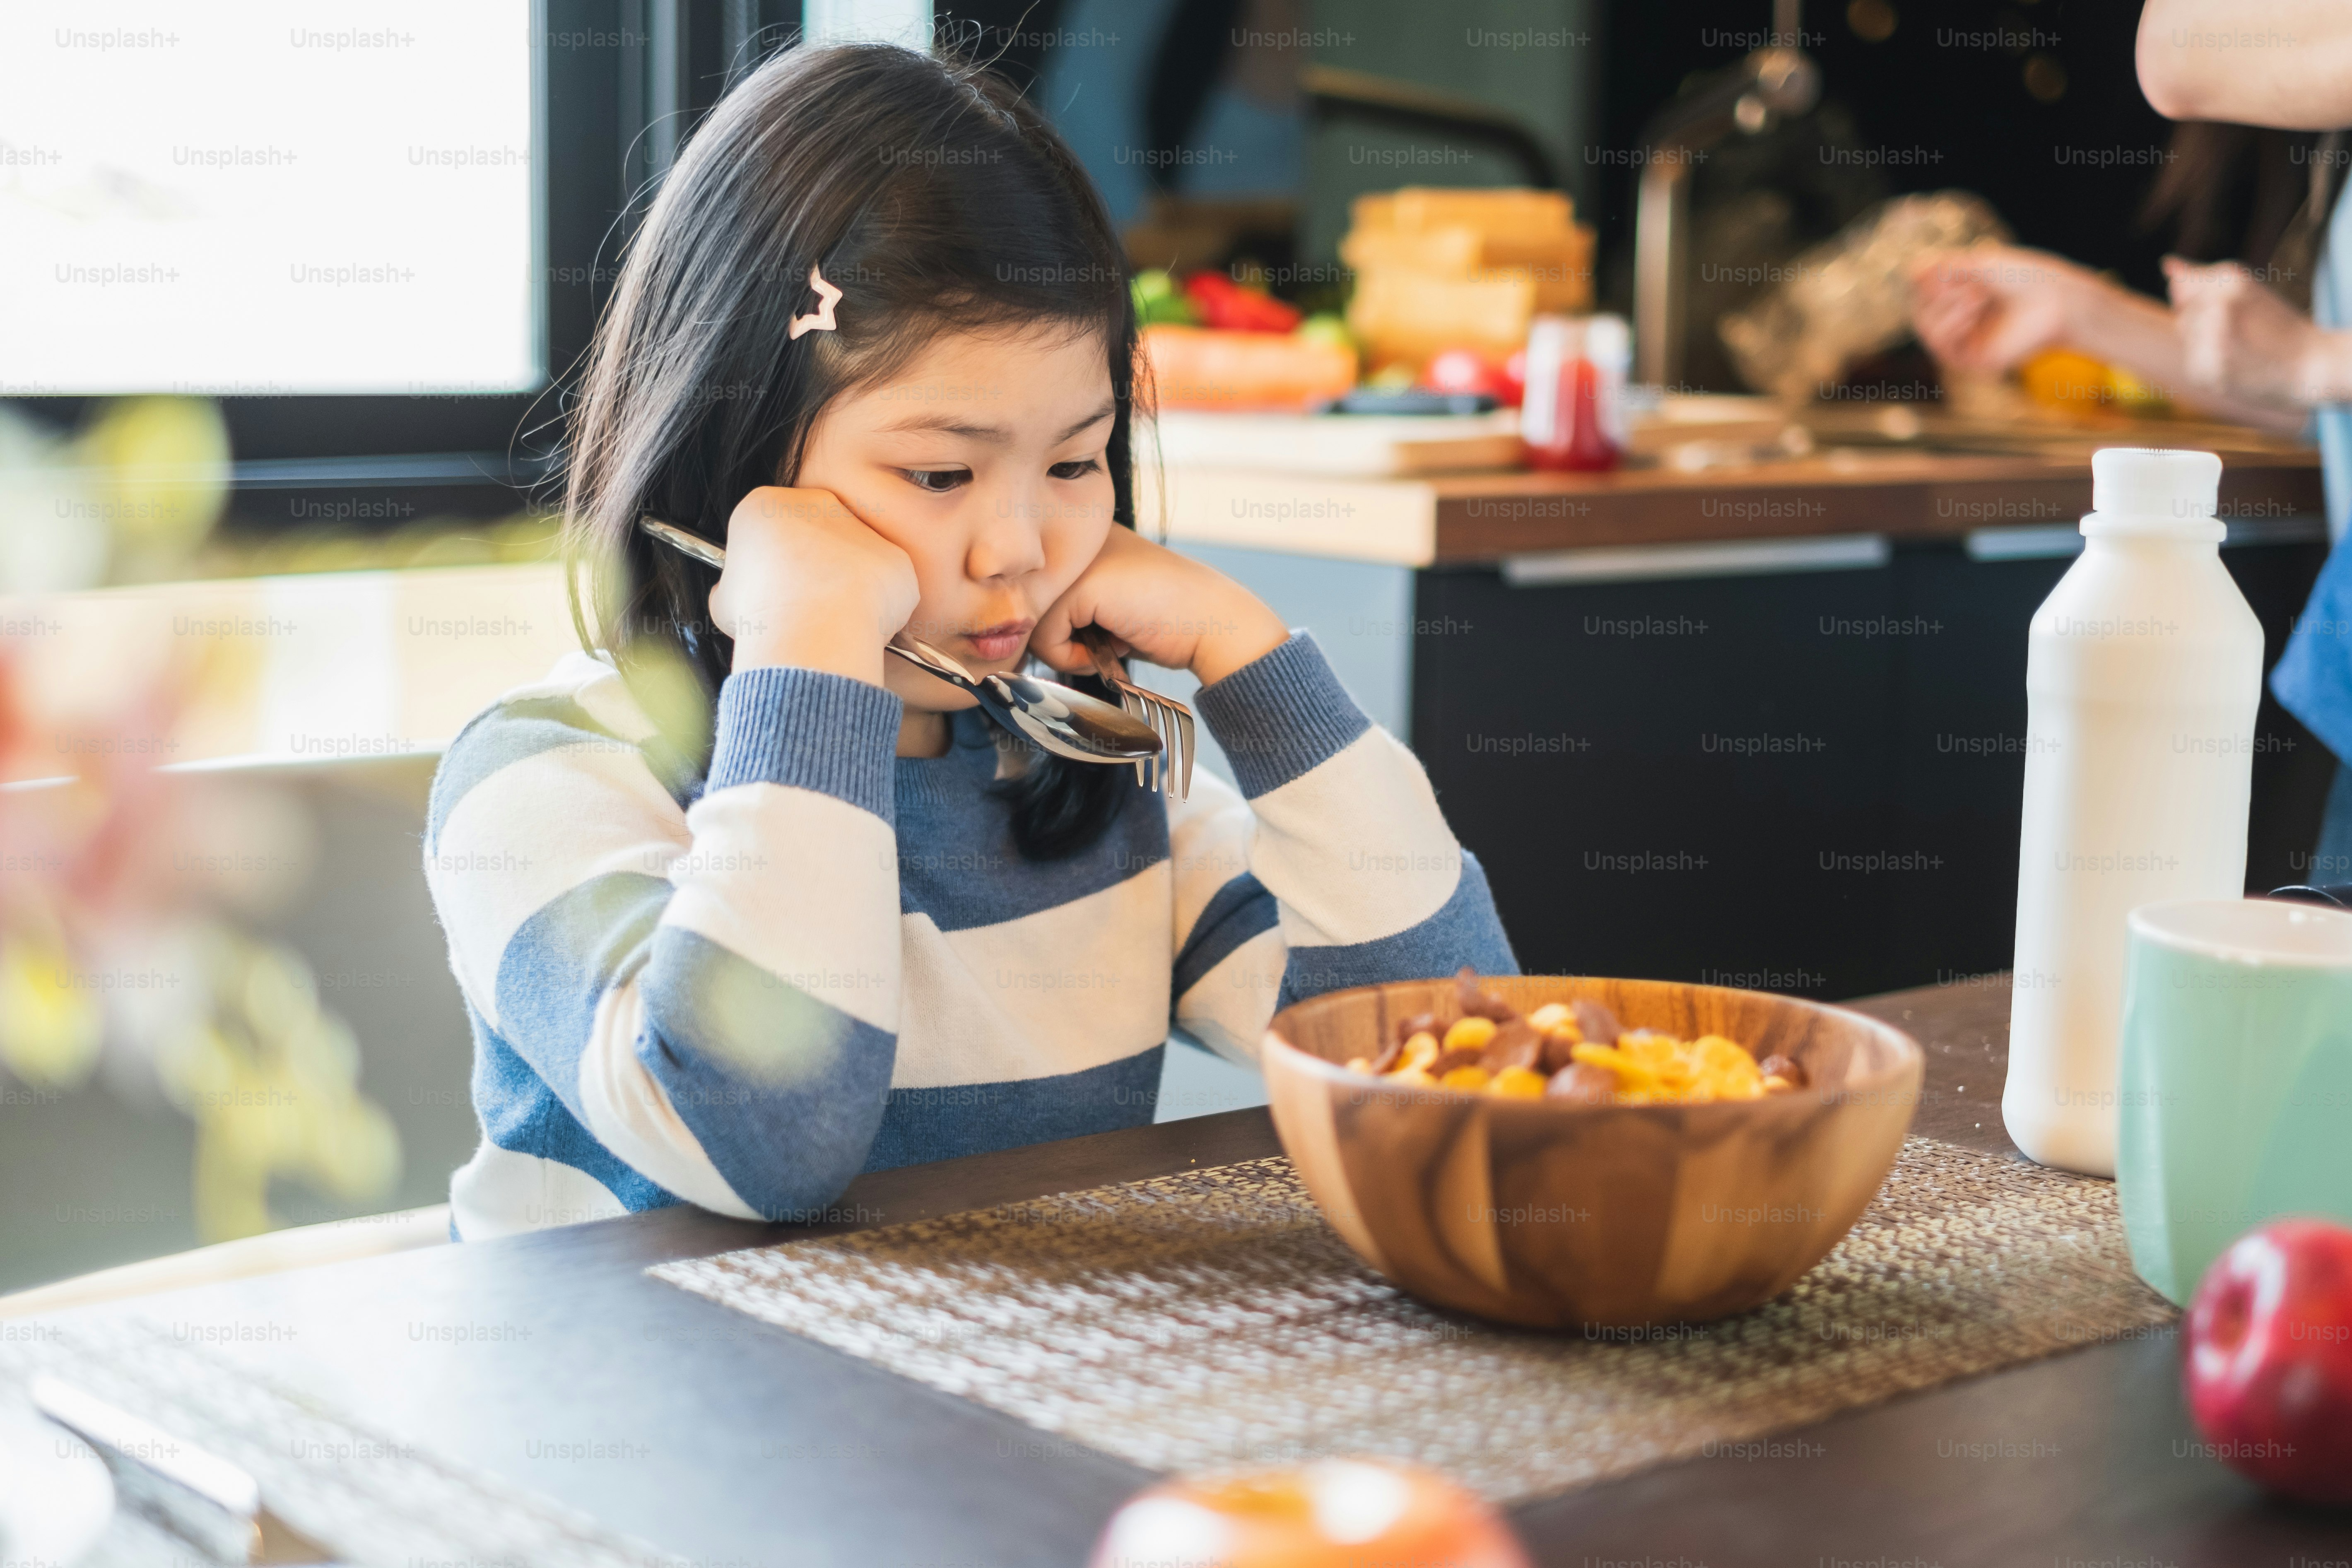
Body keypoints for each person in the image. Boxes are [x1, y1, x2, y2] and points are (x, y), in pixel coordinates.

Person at [422, 44, 1514, 1239]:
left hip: (990, 1409)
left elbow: (1438, 1056)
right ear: (731, 460)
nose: (1019, 547)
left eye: (1074, 462)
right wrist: (812, 648)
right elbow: (760, 1140)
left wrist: (1250, 657)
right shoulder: (544, 775)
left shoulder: (1096, 783)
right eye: (940, 471)